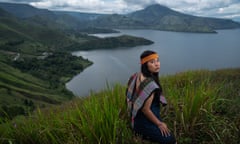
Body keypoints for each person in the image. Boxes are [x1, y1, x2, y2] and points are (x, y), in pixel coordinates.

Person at [126, 50, 176, 144]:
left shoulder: (135, 76)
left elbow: (130, 97)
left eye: (157, 60)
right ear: (145, 65)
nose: (157, 64)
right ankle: (143, 132)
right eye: (152, 62)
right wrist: (159, 124)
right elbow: (146, 110)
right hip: (143, 122)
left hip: (136, 117)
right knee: (171, 140)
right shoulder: (150, 85)